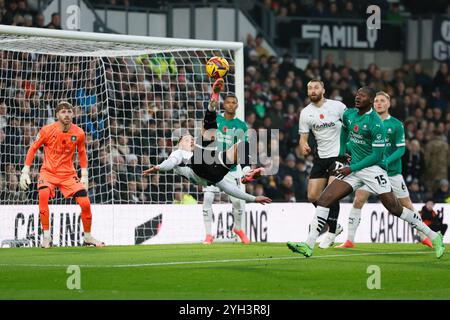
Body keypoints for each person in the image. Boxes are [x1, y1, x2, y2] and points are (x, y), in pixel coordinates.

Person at [287, 87, 445, 259]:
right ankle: (309, 245)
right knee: (324, 199)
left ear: (370, 101)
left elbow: (376, 156)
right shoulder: (349, 115)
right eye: (357, 94)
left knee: (395, 208)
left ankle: (434, 236)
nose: (357, 97)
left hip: (373, 169)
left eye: (362, 96)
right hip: (354, 167)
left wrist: (351, 168)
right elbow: (345, 130)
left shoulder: (376, 124)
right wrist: (343, 151)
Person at [143, 78, 271, 207]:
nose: (191, 140)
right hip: (198, 167)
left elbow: (228, 188)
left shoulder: (200, 162)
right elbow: (170, 163)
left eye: (191, 138)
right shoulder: (179, 153)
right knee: (207, 133)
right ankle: (213, 101)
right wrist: (159, 167)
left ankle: (247, 172)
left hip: (212, 171)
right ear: (179, 143)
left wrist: (254, 198)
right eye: (188, 139)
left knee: (241, 145)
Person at [336, 91, 432, 248]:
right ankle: (350, 240)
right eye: (376, 101)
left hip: (392, 172)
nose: (379, 103)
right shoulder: (365, 120)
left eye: (382, 100)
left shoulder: (396, 125)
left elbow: (401, 150)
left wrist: (385, 160)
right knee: (359, 199)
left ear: (389, 104)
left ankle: (424, 236)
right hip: (369, 169)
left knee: (406, 204)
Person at [19, 101, 105, 248]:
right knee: (43, 196)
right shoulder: (47, 130)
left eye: (69, 111)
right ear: (57, 114)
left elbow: (82, 153)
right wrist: (25, 171)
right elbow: (33, 148)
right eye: (63, 112)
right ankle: (46, 237)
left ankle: (88, 237)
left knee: (85, 203)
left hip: (68, 174)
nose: (67, 114)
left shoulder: (79, 132)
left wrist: (84, 175)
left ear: (73, 114)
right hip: (48, 172)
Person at [298, 79, 347, 249]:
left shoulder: (338, 107)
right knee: (313, 196)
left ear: (323, 90)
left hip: (339, 155)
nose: (312, 90)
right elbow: (303, 138)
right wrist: (303, 145)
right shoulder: (305, 113)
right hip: (321, 157)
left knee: (330, 193)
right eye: (309, 88)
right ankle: (335, 224)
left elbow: (351, 126)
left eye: (315, 87)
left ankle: (331, 232)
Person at [202, 93, 251, 245]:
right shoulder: (216, 120)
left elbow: (243, 149)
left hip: (230, 168)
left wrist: (246, 169)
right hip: (212, 165)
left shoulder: (242, 126)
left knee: (238, 202)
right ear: (224, 105)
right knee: (208, 198)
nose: (230, 105)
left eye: (233, 102)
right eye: (228, 102)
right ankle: (209, 235)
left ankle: (238, 229)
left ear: (237, 105)